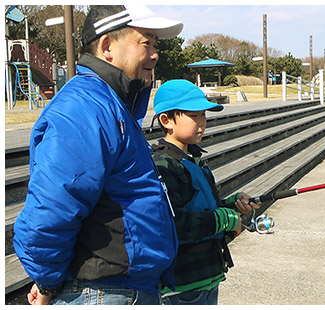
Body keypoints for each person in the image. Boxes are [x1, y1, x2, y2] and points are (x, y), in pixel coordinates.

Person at [13, 5, 183, 305]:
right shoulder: (85, 108)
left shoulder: (111, 105)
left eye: (156, 45)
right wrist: (49, 281)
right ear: (107, 46)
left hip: (123, 288)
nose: (155, 54)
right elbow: (50, 211)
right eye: (146, 42)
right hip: (104, 292)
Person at [151, 79, 259, 305]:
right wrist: (226, 218)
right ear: (166, 120)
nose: (202, 123)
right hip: (183, 286)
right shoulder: (163, 165)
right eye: (193, 116)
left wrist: (231, 204)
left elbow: (205, 207)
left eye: (203, 116)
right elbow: (174, 224)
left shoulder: (195, 161)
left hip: (208, 278)